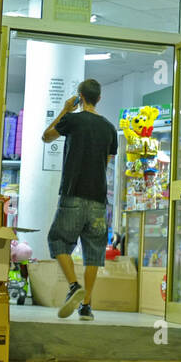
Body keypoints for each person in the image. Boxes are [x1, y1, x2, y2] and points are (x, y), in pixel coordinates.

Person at [41, 78, 118, 321]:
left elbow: (46, 137)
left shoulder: (72, 119)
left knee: (58, 240)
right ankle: (86, 306)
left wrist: (65, 109)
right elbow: (106, 162)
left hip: (73, 193)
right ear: (99, 99)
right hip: (98, 199)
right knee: (93, 252)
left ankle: (74, 286)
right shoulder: (109, 128)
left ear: (80, 96)